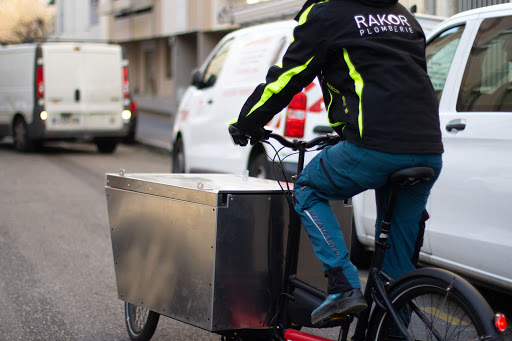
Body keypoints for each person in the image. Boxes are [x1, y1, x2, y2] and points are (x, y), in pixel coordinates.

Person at [229, 0, 443, 325]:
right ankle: (391, 328)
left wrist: (248, 121)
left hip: (375, 145)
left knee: (308, 188)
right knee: (396, 266)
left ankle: (343, 284)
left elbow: (290, 77)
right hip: (428, 147)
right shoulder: (402, 16)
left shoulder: (329, 14)